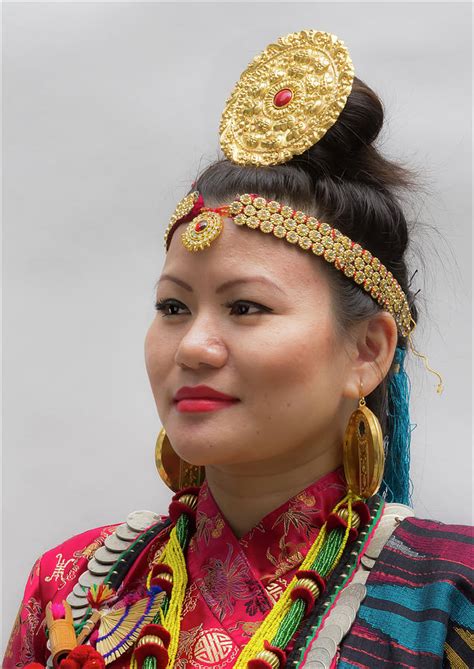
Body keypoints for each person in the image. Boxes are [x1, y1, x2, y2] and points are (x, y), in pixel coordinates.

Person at [4, 30, 472, 669]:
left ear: (366, 350)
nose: (192, 346)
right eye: (173, 307)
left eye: (246, 307)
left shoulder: (450, 599)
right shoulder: (72, 589)